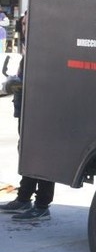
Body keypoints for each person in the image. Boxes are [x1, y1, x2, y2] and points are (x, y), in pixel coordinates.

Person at [0, 60, 54, 220]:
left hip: (40, 112)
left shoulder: (44, 51)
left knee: (42, 157)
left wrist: (19, 83)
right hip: (26, 112)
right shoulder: (30, 52)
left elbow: (45, 82)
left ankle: (42, 205)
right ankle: (24, 198)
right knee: (27, 156)